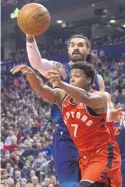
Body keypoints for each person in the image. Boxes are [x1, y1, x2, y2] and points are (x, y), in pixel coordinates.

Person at [17, 34, 122, 187]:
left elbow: (103, 100)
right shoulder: (59, 70)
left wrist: (111, 113)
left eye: (80, 45)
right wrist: (30, 36)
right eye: (72, 45)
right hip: (67, 136)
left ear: (88, 49)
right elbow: (37, 65)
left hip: (96, 140)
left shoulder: (96, 78)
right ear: (67, 50)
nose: (76, 48)